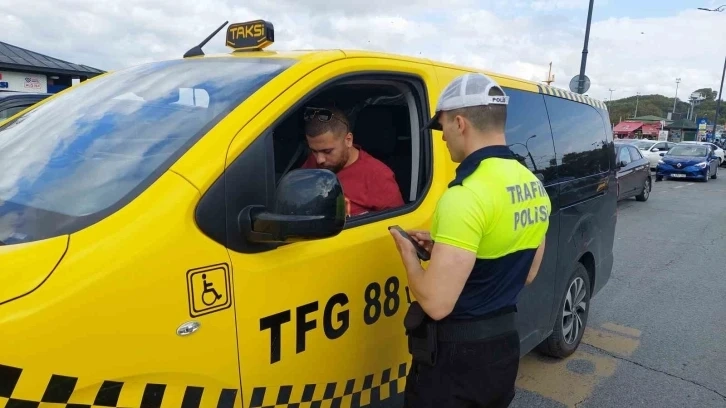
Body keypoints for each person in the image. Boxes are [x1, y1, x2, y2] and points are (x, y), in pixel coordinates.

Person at [389, 73, 551, 408]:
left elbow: (436, 304)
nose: (443, 137)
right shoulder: (533, 184)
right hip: (502, 351)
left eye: (443, 126)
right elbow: (527, 271)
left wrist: (408, 254)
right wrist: (451, 247)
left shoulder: (465, 196)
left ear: (460, 123)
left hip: (454, 365)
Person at [300, 105, 404, 217]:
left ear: (348, 140)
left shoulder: (377, 175)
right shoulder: (313, 162)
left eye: (327, 151)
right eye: (314, 151)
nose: (319, 160)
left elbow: (398, 227)